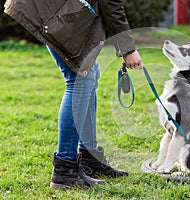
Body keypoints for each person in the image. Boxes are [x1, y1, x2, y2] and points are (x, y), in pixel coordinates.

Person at [4, 0, 143, 189]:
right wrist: (128, 49)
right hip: (47, 9)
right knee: (79, 79)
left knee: (89, 73)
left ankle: (89, 158)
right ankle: (65, 169)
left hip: (53, 8)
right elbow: (111, 6)